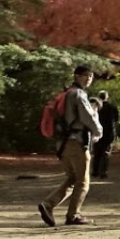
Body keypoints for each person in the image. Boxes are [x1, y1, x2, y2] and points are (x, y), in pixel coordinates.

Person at [38, 66, 102, 227]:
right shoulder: (78, 94)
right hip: (76, 142)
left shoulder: (65, 94)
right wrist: (98, 131)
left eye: (91, 76)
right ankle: (73, 215)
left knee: (73, 178)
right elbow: (87, 117)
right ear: (76, 76)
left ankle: (48, 205)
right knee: (83, 181)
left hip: (63, 143)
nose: (88, 79)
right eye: (85, 76)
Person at [92, 90, 119, 179]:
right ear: (107, 97)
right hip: (109, 132)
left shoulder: (96, 107)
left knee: (97, 152)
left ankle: (95, 171)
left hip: (97, 131)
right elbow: (116, 119)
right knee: (105, 153)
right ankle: (103, 172)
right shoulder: (112, 107)